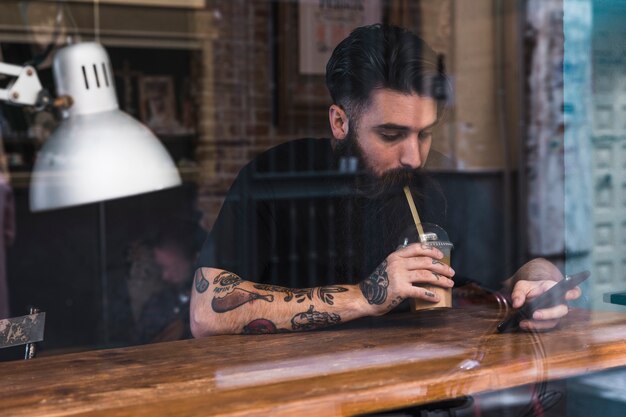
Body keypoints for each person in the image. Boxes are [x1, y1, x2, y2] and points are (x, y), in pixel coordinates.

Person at [190, 24, 580, 337]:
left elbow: (523, 265)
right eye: (391, 135)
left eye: (425, 133)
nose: (414, 157)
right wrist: (367, 295)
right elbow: (206, 313)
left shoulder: (438, 180)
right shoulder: (277, 175)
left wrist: (540, 285)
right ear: (340, 122)